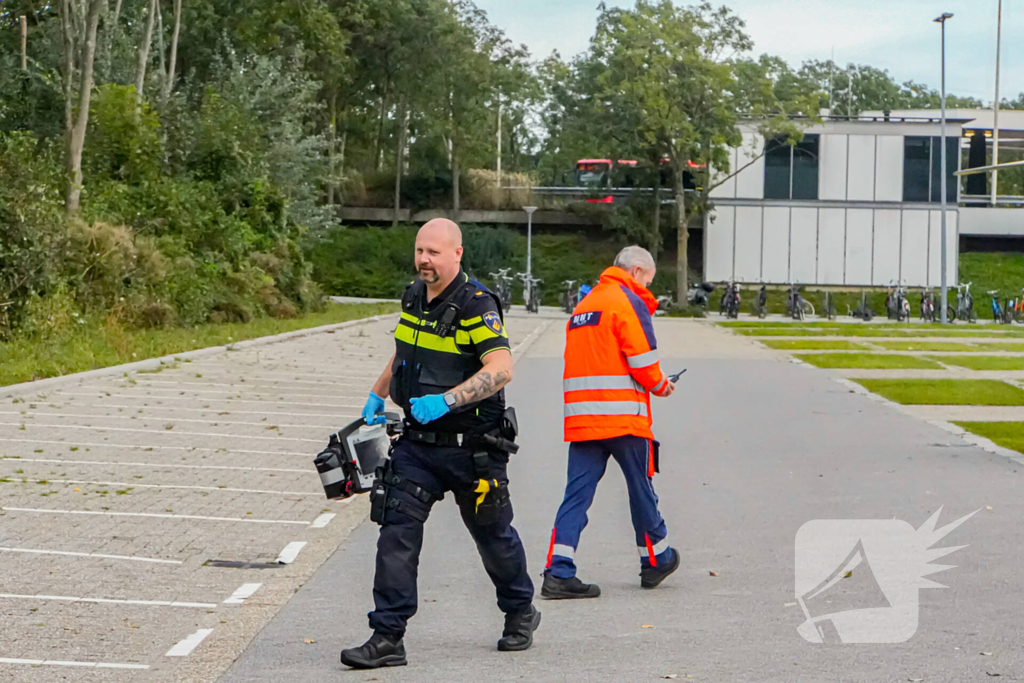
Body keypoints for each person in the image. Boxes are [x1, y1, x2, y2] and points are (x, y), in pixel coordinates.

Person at [341, 218, 539, 669]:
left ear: (457, 253)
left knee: (493, 536)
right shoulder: (415, 295)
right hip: (418, 448)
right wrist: (378, 390)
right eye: (419, 251)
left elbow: (502, 368)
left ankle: (520, 611)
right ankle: (387, 636)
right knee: (396, 534)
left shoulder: (476, 304)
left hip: (473, 449)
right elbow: (405, 349)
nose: (424, 260)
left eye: (433, 252)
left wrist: (447, 401)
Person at [541, 245, 678, 599]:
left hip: (583, 419)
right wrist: (663, 386)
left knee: (576, 496)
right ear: (636, 272)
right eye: (648, 280)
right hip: (623, 417)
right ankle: (656, 558)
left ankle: (558, 571)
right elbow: (643, 361)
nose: (648, 287)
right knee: (641, 489)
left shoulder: (585, 305)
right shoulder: (626, 301)